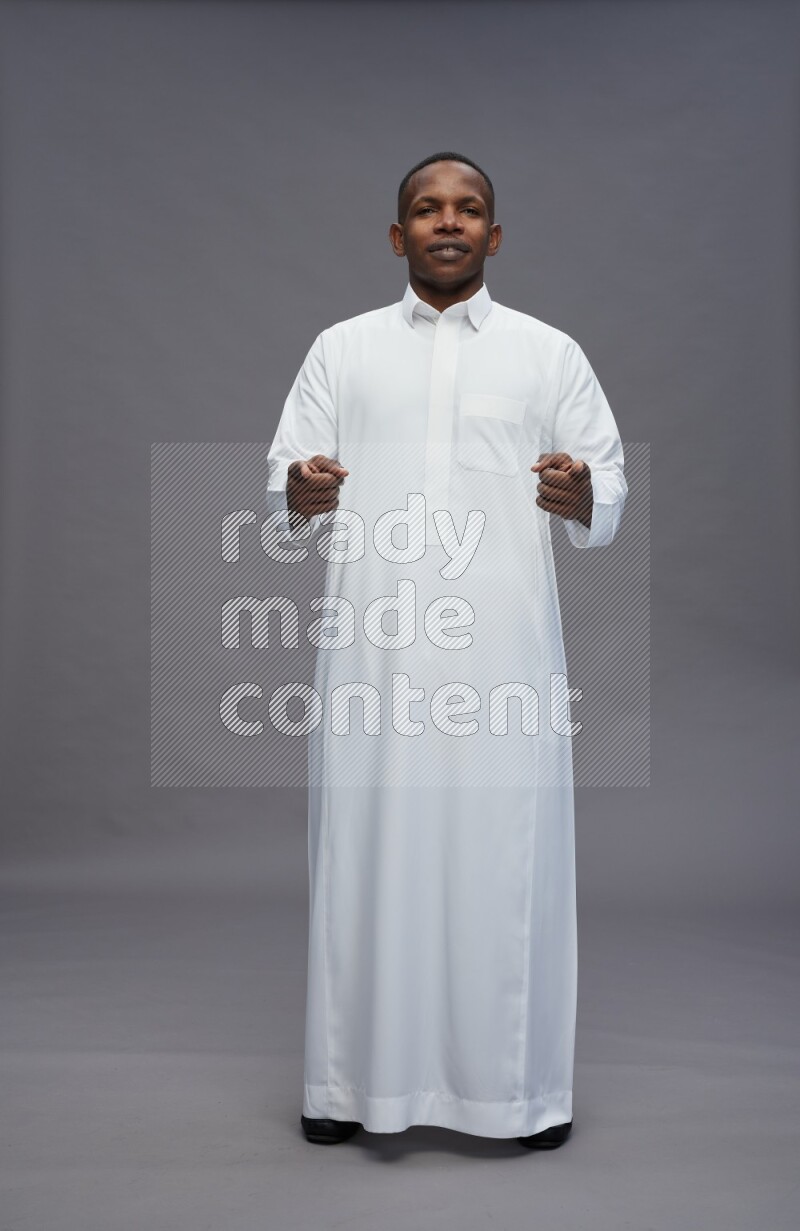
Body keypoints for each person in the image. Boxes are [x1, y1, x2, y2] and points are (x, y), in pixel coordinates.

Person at [265, 152, 626, 1149]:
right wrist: (298, 489)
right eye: (425, 209)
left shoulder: (547, 354)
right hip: (373, 657)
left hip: (499, 665)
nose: (446, 221)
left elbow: (606, 478)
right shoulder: (340, 350)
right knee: (364, 858)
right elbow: (282, 479)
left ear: (494, 237)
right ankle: (345, 1087)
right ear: (397, 237)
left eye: (467, 208)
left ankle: (513, 1094)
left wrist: (579, 493)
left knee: (499, 863)